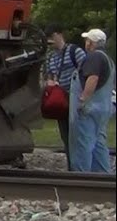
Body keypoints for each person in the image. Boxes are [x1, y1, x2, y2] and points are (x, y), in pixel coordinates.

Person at [68, 28, 115, 173]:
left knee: (83, 143)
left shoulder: (94, 57)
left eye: (87, 40)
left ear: (91, 43)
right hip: (103, 108)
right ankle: (102, 176)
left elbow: (93, 78)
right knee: (99, 143)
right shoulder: (108, 60)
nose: (85, 43)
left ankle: (82, 176)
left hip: (89, 108)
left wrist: (83, 99)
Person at [43, 26, 86, 160]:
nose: (50, 41)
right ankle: (72, 164)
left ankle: (81, 164)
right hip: (61, 100)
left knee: (78, 133)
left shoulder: (75, 51)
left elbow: (86, 72)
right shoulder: (50, 57)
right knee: (65, 134)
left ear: (59, 34)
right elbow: (49, 76)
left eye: (52, 36)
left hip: (75, 97)